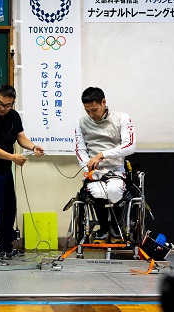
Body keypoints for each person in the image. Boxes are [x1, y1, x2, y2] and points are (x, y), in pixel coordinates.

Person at [0, 84, 44, 260]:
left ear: (13, 103)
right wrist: (13, 157)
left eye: (8, 105)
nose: (3, 108)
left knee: (9, 209)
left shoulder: (13, 116)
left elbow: (21, 138)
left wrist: (34, 146)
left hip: (6, 171)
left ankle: (6, 246)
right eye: (0, 103)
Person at [74, 87, 136, 243]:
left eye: (94, 110)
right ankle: (104, 228)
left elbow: (130, 145)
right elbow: (80, 149)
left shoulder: (121, 118)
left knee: (114, 190)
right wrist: (86, 167)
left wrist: (102, 155)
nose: (91, 114)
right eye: (87, 111)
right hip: (94, 172)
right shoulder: (81, 123)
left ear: (104, 102)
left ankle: (115, 226)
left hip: (115, 170)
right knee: (97, 192)